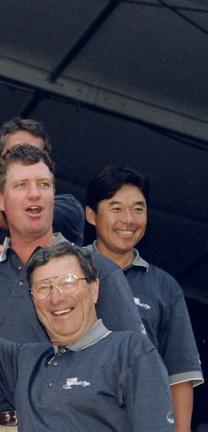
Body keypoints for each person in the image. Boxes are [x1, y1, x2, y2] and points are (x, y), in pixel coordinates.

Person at [0, 145, 143, 430]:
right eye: (21, 185)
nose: (35, 194)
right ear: (0, 200)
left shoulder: (98, 269)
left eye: (43, 185)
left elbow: (137, 368)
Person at [0, 243, 174, 431]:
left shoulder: (129, 351)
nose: (56, 298)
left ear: (94, 288)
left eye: (67, 282)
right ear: (33, 300)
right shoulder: (25, 362)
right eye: (43, 288)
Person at [85, 164, 203, 432]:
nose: (129, 220)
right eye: (116, 209)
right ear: (91, 215)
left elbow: (179, 375)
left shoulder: (164, 287)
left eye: (138, 209)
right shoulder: (66, 268)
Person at [0, 117, 85, 245]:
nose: (22, 162)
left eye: (33, 155)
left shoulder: (68, 209)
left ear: (47, 165)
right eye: (12, 155)